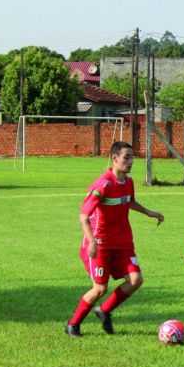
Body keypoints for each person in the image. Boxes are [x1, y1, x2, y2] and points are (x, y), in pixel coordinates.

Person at [66, 141, 164, 337]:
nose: (130, 162)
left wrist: (148, 212)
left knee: (136, 280)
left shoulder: (128, 182)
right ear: (114, 159)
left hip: (123, 243)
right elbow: (83, 215)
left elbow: (129, 201)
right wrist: (91, 241)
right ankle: (73, 324)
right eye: (126, 158)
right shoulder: (102, 185)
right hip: (100, 244)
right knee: (100, 288)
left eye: (132, 158)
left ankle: (103, 311)